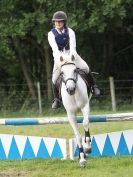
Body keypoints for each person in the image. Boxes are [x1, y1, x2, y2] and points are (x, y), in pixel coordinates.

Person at [48, 11, 100, 109]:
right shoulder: (51, 34)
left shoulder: (70, 32)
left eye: (60, 21)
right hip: (59, 58)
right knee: (54, 78)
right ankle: (56, 99)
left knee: (85, 67)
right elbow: (54, 49)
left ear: (64, 22)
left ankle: (94, 86)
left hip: (72, 55)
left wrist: (71, 58)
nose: (58, 23)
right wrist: (61, 59)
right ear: (54, 22)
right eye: (56, 21)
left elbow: (73, 47)